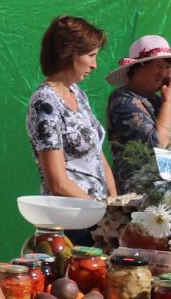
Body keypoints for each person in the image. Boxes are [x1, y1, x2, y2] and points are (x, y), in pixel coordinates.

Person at [27, 15, 116, 204]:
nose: (95, 65)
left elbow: (96, 153)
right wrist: (100, 210)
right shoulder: (45, 103)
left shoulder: (77, 93)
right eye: (91, 55)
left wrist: (115, 203)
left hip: (95, 216)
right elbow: (58, 183)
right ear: (70, 53)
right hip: (69, 218)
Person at [104, 34, 171, 156]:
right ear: (137, 68)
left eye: (168, 66)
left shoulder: (157, 100)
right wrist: (168, 102)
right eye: (158, 66)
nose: (164, 73)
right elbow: (158, 143)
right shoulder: (122, 99)